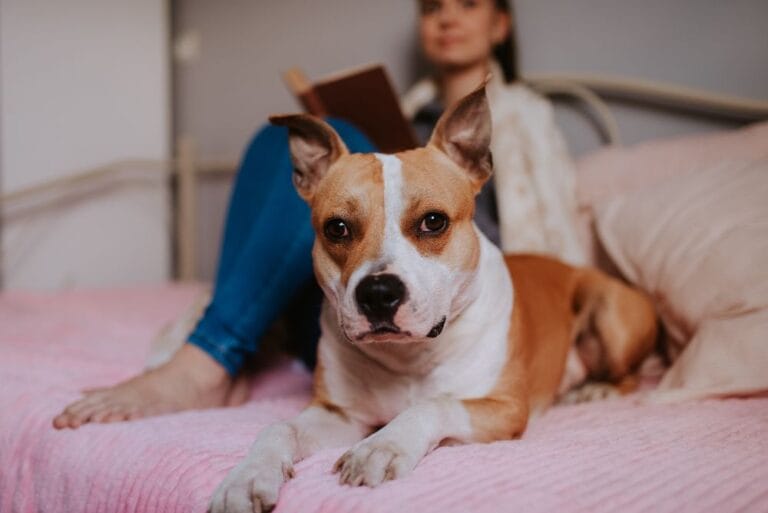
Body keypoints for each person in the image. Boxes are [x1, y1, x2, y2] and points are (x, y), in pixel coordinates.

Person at [53, 0, 584, 429]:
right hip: (350, 308)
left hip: (458, 308)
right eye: (430, 7)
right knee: (286, 138)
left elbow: (552, 236)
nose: (446, 16)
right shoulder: (403, 114)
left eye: (466, 4)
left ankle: (215, 356)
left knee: (343, 138)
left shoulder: (524, 120)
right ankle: (221, 351)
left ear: (500, 23)